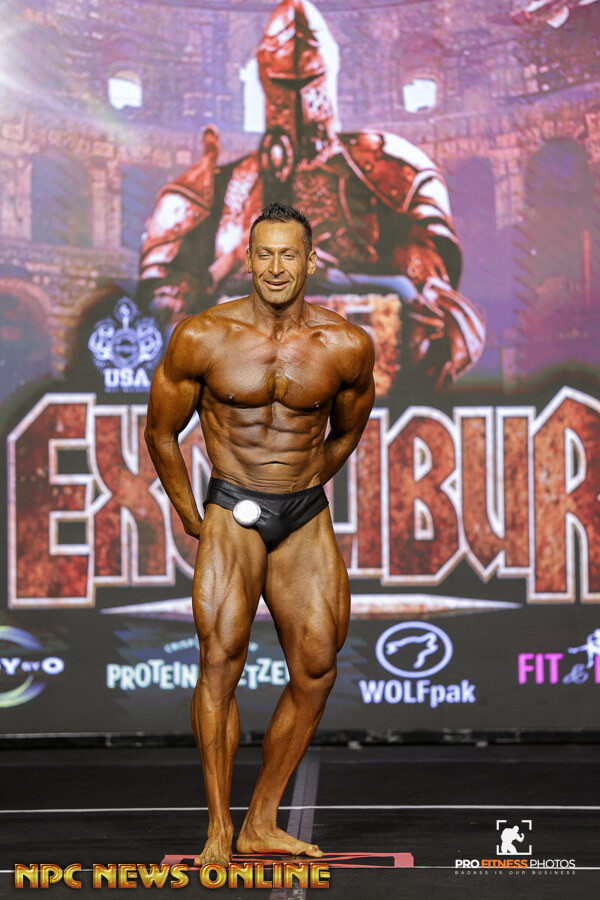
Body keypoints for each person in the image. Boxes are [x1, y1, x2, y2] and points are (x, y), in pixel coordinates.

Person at [144, 202, 375, 866]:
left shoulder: (346, 345)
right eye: (265, 254)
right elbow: (161, 431)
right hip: (232, 505)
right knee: (220, 661)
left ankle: (261, 821)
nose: (276, 268)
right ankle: (219, 828)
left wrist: (306, 480)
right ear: (248, 259)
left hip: (303, 512)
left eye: (289, 255)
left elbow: (348, 429)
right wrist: (192, 514)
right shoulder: (203, 336)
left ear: (310, 260)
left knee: (317, 667)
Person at [137, 0, 484, 392]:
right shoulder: (221, 186)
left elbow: (439, 307)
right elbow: (164, 309)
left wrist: (354, 286)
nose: (298, 98)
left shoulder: (389, 171)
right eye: (284, 84)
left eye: (308, 81)